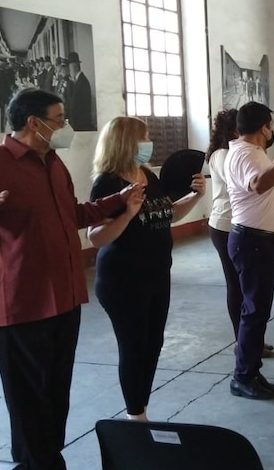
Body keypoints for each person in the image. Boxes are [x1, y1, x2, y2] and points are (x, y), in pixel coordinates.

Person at [0, 88, 142, 470]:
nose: (65, 126)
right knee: (28, 398)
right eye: (59, 118)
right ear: (34, 122)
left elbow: (74, 215)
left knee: (55, 391)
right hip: (20, 303)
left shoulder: (53, 163)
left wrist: (119, 201)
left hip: (63, 296)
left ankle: (51, 466)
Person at [88, 116, 205, 421]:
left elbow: (168, 215)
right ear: (127, 142)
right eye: (144, 137)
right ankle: (135, 414)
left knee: (154, 342)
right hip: (123, 279)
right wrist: (127, 214)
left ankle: (141, 404)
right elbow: (96, 237)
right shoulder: (108, 183)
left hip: (157, 274)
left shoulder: (147, 175)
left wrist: (195, 197)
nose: (148, 142)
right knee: (133, 345)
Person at [225, 102, 274, 401]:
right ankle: (243, 376)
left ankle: (252, 371)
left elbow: (266, 176)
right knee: (254, 311)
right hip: (253, 241)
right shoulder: (244, 152)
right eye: (271, 124)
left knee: (258, 310)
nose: (272, 130)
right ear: (262, 127)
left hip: (261, 241)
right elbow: (258, 184)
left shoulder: (254, 152)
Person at [207, 108, 274, 356]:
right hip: (226, 223)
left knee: (244, 286)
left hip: (232, 222)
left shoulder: (233, 151)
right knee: (237, 286)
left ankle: (249, 339)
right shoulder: (226, 154)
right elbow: (247, 183)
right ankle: (242, 340)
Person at [66, 51, 94, 130]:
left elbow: (75, 104)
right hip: (75, 123)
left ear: (73, 67)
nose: (69, 71)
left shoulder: (83, 82)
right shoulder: (76, 81)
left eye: (70, 68)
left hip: (81, 125)